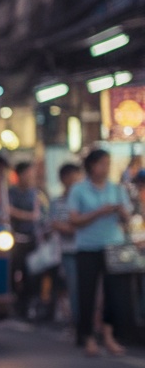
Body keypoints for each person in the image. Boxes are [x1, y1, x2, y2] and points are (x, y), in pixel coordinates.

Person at [68, 149, 132, 356]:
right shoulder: (79, 190)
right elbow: (74, 219)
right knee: (87, 293)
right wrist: (98, 213)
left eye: (108, 164)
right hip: (87, 247)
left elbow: (127, 218)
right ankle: (87, 336)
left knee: (113, 294)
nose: (106, 168)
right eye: (102, 164)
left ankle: (109, 335)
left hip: (113, 246)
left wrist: (121, 212)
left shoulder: (116, 189)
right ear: (92, 165)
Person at [9, 161, 44, 318]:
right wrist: (29, 216)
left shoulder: (35, 193)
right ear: (20, 175)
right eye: (28, 174)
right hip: (14, 240)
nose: (31, 177)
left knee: (31, 274)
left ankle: (29, 306)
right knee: (13, 273)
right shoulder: (10, 193)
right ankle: (15, 304)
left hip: (32, 239)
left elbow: (40, 214)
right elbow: (8, 210)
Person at [48, 163, 82, 326]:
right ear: (64, 180)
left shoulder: (83, 200)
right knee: (73, 288)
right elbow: (53, 224)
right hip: (67, 250)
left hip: (87, 249)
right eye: (73, 179)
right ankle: (78, 323)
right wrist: (74, 228)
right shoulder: (57, 202)